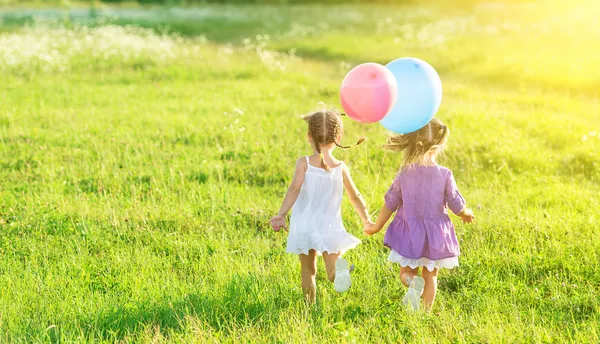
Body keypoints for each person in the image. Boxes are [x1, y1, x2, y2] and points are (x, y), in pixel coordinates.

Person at [364, 118, 474, 311]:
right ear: (439, 144)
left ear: (414, 141)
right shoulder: (445, 173)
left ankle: (413, 283)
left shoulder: (406, 171)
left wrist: (376, 227)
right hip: (435, 235)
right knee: (431, 276)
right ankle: (425, 314)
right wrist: (466, 213)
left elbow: (390, 203)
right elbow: (456, 203)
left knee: (406, 272)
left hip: (409, 233)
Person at [270, 109, 373, 304]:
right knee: (332, 272)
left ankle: (310, 307)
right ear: (338, 138)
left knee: (308, 271)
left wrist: (281, 214)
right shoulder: (340, 167)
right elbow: (355, 196)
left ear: (309, 137)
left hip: (305, 226)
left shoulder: (304, 164)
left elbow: (293, 189)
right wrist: (366, 219)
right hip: (330, 227)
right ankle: (339, 271)